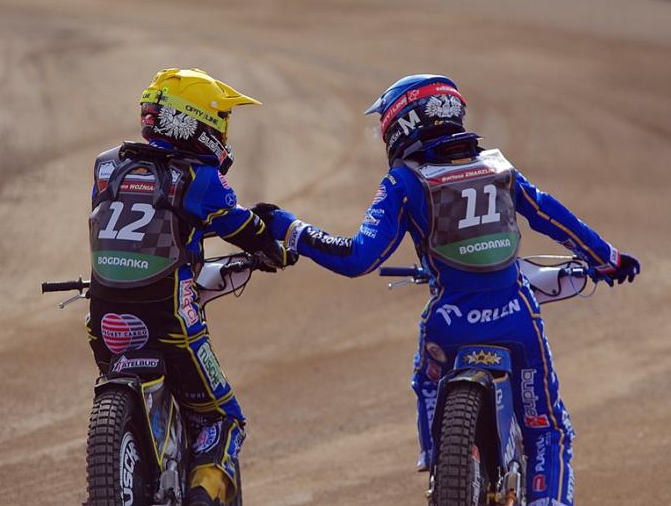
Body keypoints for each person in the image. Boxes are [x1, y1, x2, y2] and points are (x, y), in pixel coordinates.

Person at [253, 74, 640, 506]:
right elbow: (552, 215)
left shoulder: (404, 182)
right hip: (516, 317)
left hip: (449, 323)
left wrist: (291, 228)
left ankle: (435, 462)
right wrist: (607, 258)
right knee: (547, 429)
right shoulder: (498, 167)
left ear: (402, 125)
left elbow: (357, 258)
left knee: (426, 378)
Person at [88, 68, 295, 506]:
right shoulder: (199, 178)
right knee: (222, 419)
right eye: (220, 121)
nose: (223, 134)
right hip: (170, 320)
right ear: (195, 123)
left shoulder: (108, 166)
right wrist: (274, 251)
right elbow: (245, 229)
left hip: (104, 317)